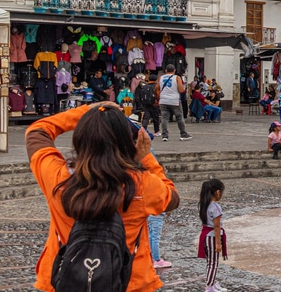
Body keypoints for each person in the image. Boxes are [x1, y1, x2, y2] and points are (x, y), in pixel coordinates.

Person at [26, 101, 180, 292]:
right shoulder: (142, 184)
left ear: (80, 138)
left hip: (63, 279)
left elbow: (37, 131)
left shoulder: (57, 177)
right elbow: (171, 197)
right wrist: (142, 158)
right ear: (126, 142)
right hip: (130, 282)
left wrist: (85, 111)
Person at [197, 179, 226, 292]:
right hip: (212, 237)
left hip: (205, 236)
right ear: (218, 192)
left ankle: (212, 283)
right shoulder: (216, 207)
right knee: (213, 263)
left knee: (209, 262)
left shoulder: (202, 205)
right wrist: (218, 243)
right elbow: (217, 226)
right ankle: (209, 287)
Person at [157, 64, 191, 142]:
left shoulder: (161, 78)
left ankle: (164, 136)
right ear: (174, 70)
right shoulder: (176, 78)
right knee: (179, 117)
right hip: (174, 101)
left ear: (166, 70)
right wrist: (184, 87)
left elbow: (158, 87)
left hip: (163, 100)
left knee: (164, 118)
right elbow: (181, 90)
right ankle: (183, 134)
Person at [137, 71, 161, 137]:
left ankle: (143, 130)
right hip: (154, 104)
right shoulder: (156, 86)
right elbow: (158, 95)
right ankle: (156, 131)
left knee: (146, 117)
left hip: (146, 104)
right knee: (155, 118)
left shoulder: (144, 86)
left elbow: (140, 95)